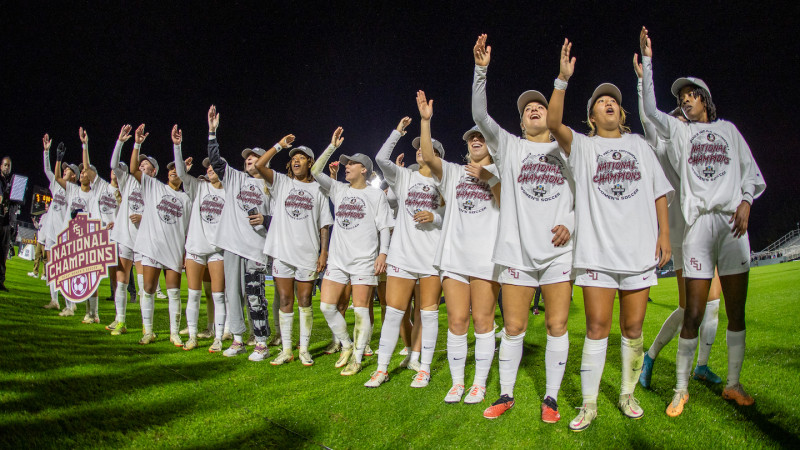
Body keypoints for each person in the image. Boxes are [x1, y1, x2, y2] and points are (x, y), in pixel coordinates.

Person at [639, 27, 766, 415]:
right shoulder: (679, 131)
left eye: (690, 95)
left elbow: (750, 174)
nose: (685, 101)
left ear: (705, 100)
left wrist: (746, 201)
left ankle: (732, 383)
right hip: (696, 228)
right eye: (681, 98)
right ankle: (680, 388)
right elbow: (648, 112)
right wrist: (646, 64)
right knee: (692, 311)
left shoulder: (728, 130)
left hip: (732, 226)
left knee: (734, 309)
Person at [547, 38, 672, 431]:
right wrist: (562, 80)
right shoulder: (583, 147)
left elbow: (658, 194)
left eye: (614, 101)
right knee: (597, 328)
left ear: (621, 112)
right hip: (598, 253)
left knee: (633, 329)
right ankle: (588, 404)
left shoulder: (639, 144)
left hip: (636, 253)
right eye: (602, 101)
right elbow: (552, 124)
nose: (609, 103)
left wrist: (665, 236)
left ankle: (627, 393)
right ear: (592, 116)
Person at [471, 35, 576, 421]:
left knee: (556, 323)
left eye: (539, 106)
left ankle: (550, 397)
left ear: (549, 116)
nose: (534, 109)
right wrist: (480, 71)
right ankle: (506, 393)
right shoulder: (511, 147)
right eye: (528, 108)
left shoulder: (567, 150)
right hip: (517, 250)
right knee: (513, 326)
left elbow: (585, 197)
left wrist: (571, 222)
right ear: (520, 122)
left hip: (557, 251)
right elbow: (480, 117)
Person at [632, 55, 725, 389]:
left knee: (712, 301)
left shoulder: (707, 141)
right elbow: (648, 117)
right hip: (684, 229)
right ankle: (652, 355)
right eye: (676, 114)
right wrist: (643, 81)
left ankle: (701, 366)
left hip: (707, 226)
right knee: (690, 307)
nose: (680, 116)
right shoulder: (663, 142)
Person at [415, 90, 503, 406]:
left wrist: (488, 176)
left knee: (483, 321)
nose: (475, 140)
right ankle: (457, 382)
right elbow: (427, 154)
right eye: (471, 138)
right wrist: (426, 123)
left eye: (481, 136)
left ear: (490, 143)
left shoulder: (500, 171)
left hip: (487, 257)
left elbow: (506, 201)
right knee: (456, 322)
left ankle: (478, 384)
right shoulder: (453, 172)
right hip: (454, 257)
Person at [364, 116, 445, 389]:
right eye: (419, 146)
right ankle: (381, 368)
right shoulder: (404, 177)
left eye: (427, 146)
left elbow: (452, 217)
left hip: (432, 258)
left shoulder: (445, 180)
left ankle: (424, 368)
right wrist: (397, 132)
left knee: (429, 313)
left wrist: (434, 216)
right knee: (394, 313)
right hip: (402, 255)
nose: (420, 149)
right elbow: (381, 159)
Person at [311, 127, 394, 376]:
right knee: (327, 306)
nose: (346, 167)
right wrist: (332, 147)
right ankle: (346, 344)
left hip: (364, 260)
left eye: (352, 164)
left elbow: (386, 227)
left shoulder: (375, 194)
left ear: (364, 170)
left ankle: (357, 358)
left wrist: (383, 254)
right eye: (346, 164)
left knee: (360, 310)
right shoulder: (339, 190)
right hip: (338, 260)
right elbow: (315, 171)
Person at [206, 105, 282, 361]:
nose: (249, 160)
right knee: (232, 296)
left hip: (255, 250)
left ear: (265, 163)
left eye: (255, 158)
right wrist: (212, 132)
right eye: (247, 158)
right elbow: (216, 161)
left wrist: (267, 219)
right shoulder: (235, 178)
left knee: (255, 296)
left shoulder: (272, 185)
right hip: (231, 245)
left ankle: (261, 341)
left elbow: (283, 220)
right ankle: (238, 339)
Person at [253, 141, 333, 366]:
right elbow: (259, 165)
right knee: (285, 300)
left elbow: (324, 225)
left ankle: (304, 350)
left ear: (310, 162)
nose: (296, 160)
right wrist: (279, 145)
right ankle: (287, 349)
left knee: (305, 300)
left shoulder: (319, 189)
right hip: (282, 252)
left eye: (302, 157)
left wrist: (323, 252)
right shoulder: (282, 182)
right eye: (293, 157)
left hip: (308, 253)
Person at [131, 124, 192, 346]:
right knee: (147, 289)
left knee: (174, 292)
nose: (174, 171)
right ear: (166, 174)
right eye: (171, 170)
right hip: (152, 246)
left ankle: (174, 332)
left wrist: (186, 252)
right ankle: (148, 331)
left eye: (178, 169)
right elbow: (134, 170)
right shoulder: (154, 187)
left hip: (174, 249)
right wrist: (137, 144)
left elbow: (187, 230)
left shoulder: (186, 199)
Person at [173, 126, 227, 351]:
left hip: (218, 249)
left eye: (214, 165)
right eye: (207, 166)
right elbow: (181, 173)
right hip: (196, 246)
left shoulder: (228, 190)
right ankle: (193, 336)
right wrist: (177, 146)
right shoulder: (198, 186)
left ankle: (217, 337)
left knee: (218, 296)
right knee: (193, 295)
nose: (210, 168)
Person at [53, 129, 112, 323]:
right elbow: (57, 178)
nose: (82, 173)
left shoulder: (95, 191)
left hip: (91, 236)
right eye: (82, 172)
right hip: (75, 237)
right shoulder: (73, 189)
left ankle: (93, 313)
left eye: (85, 171)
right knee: (77, 274)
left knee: (91, 275)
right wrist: (57, 158)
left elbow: (87, 165)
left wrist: (85, 144)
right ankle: (85, 311)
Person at [107, 125, 153, 335]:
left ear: (153, 171)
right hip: (126, 237)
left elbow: (160, 217)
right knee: (121, 281)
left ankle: (146, 326)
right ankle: (121, 320)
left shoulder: (155, 187)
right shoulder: (127, 182)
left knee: (144, 286)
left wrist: (144, 217)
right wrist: (123, 142)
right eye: (140, 164)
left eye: (145, 165)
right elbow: (114, 164)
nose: (141, 166)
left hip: (143, 242)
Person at [40, 136, 79, 312]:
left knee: (65, 270)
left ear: (75, 176)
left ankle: (70, 304)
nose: (65, 171)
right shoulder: (56, 186)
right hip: (51, 232)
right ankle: (54, 300)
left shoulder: (74, 191)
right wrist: (48, 152)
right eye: (64, 169)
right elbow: (48, 170)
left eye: (68, 170)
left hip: (64, 234)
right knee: (50, 266)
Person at [0, 156, 17, 292]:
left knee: (3, 253)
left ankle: (0, 281)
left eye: (9, 166)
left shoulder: (9, 183)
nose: (7, 167)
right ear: (1, 166)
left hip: (5, 223)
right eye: (5, 165)